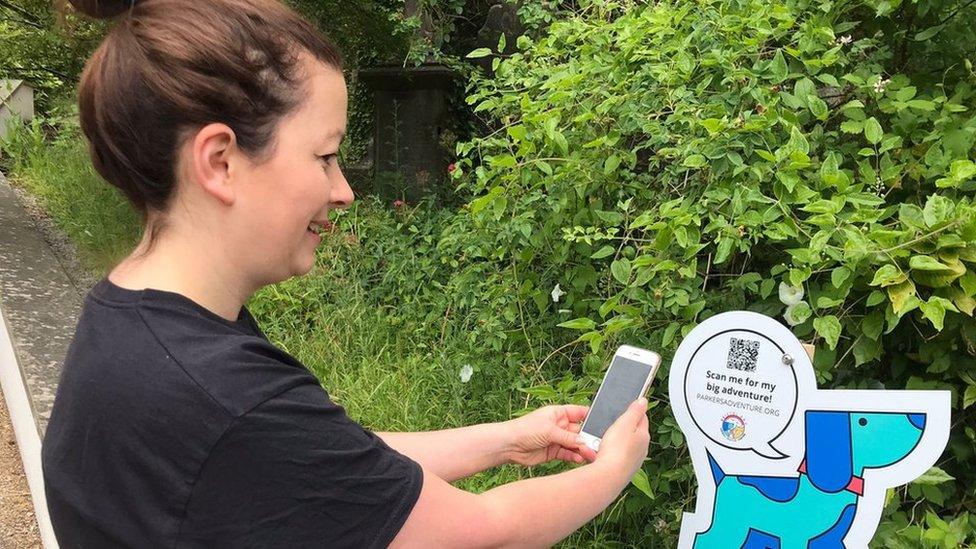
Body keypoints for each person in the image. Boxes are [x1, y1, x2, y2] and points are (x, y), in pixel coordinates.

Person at [40, 0, 651, 546]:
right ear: (220, 161)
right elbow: (481, 534)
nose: (344, 191)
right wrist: (611, 470)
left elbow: (334, 468)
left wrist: (506, 439)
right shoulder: (224, 394)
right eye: (326, 155)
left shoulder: (131, 325)